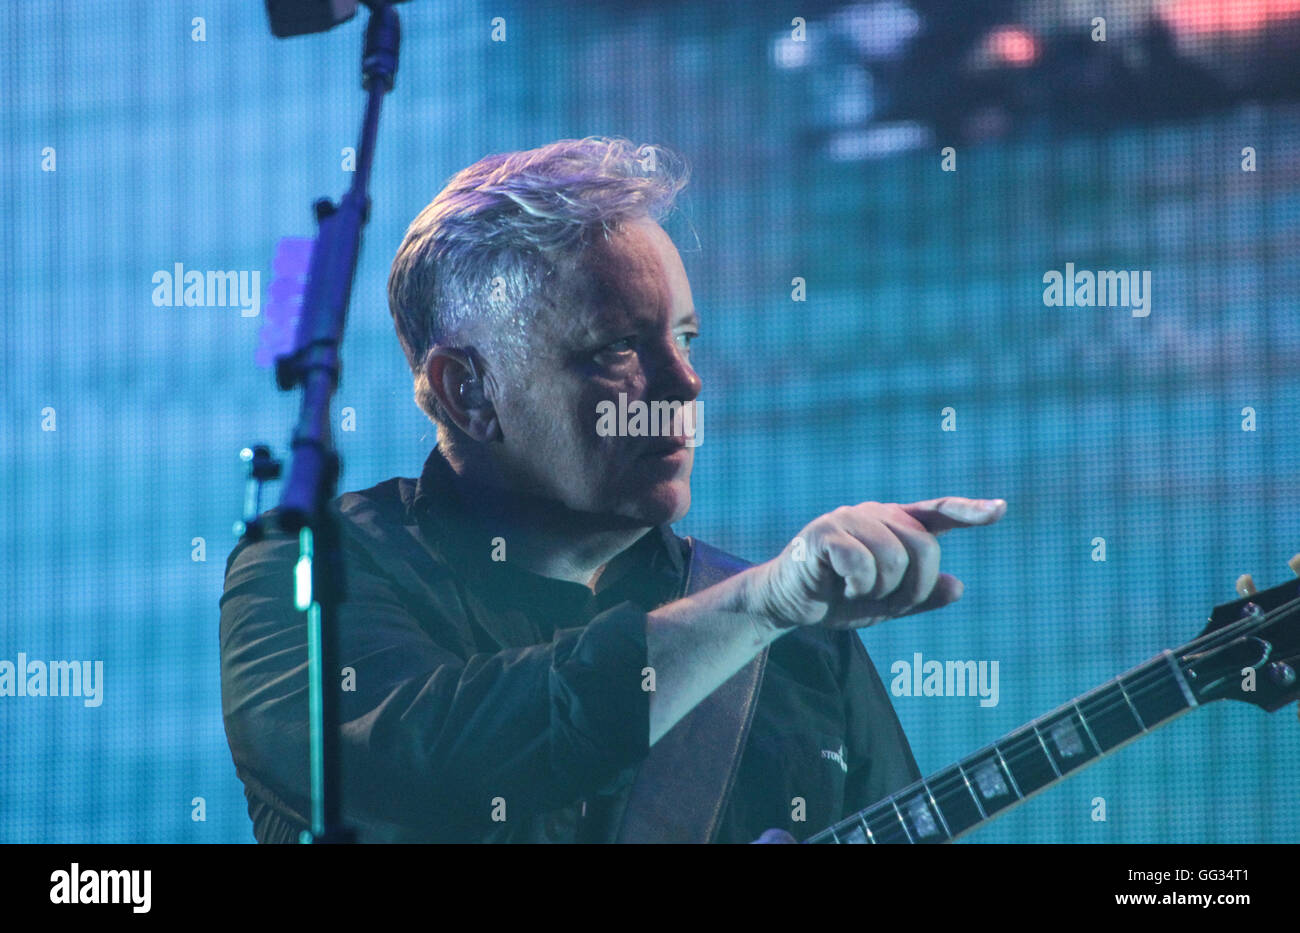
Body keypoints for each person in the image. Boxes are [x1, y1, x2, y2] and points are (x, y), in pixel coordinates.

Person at [218, 136, 1007, 843]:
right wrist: (760, 605)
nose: (686, 383)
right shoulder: (314, 573)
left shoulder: (805, 644)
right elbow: (431, 760)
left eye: (687, 337)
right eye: (619, 348)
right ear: (467, 391)